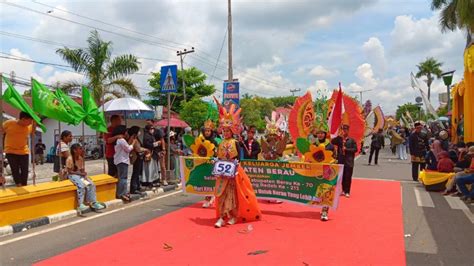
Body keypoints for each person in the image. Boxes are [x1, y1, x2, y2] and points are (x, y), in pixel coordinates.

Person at [213, 101, 261, 228]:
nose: (226, 133)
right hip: (222, 173)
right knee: (221, 194)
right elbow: (218, 156)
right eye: (224, 131)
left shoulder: (236, 142)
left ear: (232, 131)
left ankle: (233, 215)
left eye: (228, 131)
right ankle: (222, 217)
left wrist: (235, 166)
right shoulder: (221, 143)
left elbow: (239, 157)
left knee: (233, 194)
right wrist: (216, 162)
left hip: (233, 173)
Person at [66, 143, 105, 212]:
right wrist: (79, 173)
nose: (82, 150)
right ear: (75, 150)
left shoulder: (80, 158)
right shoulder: (70, 159)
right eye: (80, 149)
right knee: (81, 185)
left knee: (90, 184)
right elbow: (69, 171)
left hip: (79, 175)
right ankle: (80, 204)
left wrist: (84, 173)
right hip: (73, 175)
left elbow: (81, 169)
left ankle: (93, 202)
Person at [1, 111, 35, 186]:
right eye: (30, 121)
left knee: (25, 171)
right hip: (10, 151)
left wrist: (35, 121)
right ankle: (18, 185)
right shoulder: (9, 123)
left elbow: (33, 131)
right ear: (23, 119)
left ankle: (24, 185)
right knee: (15, 170)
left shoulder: (29, 126)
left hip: (24, 151)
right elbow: (1, 131)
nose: (30, 123)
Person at [331, 124, 357, 197]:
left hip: (349, 161)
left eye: (345, 129)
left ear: (348, 130)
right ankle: (343, 190)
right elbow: (332, 141)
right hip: (341, 160)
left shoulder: (352, 140)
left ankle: (347, 191)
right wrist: (339, 136)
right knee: (341, 177)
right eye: (343, 129)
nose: (344, 131)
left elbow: (355, 149)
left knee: (348, 177)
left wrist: (347, 149)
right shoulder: (339, 139)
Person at [113, 125, 136, 202]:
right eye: (126, 131)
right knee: (123, 178)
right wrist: (133, 143)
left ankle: (124, 192)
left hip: (120, 160)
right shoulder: (121, 140)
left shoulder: (120, 140)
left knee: (122, 177)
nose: (127, 133)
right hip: (122, 160)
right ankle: (121, 193)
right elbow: (128, 149)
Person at [128, 126, 147, 194]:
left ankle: (137, 186)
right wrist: (145, 149)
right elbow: (137, 149)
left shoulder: (136, 138)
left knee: (138, 173)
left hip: (139, 157)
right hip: (136, 157)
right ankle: (133, 188)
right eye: (138, 131)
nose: (139, 132)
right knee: (135, 173)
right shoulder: (133, 139)